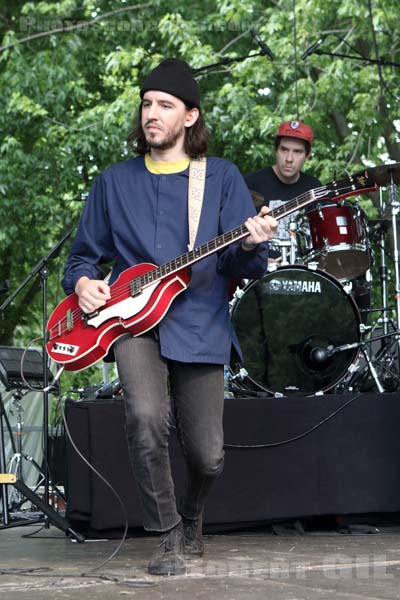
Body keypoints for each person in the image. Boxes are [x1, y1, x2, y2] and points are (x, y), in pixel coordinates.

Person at [61, 58, 277, 576]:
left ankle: (193, 513)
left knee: (208, 455)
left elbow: (236, 262)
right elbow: (82, 257)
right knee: (145, 420)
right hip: (131, 322)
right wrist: (85, 283)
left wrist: (252, 245)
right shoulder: (114, 182)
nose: (151, 114)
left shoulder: (220, 177)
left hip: (200, 320)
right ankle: (166, 534)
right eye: (146, 104)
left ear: (190, 117)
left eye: (165, 105)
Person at [245, 120, 322, 261]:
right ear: (276, 150)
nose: (289, 159)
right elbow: (237, 238)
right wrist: (258, 260)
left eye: (297, 152)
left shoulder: (314, 188)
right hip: (260, 273)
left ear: (307, 156)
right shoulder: (252, 183)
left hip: (303, 273)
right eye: (284, 150)